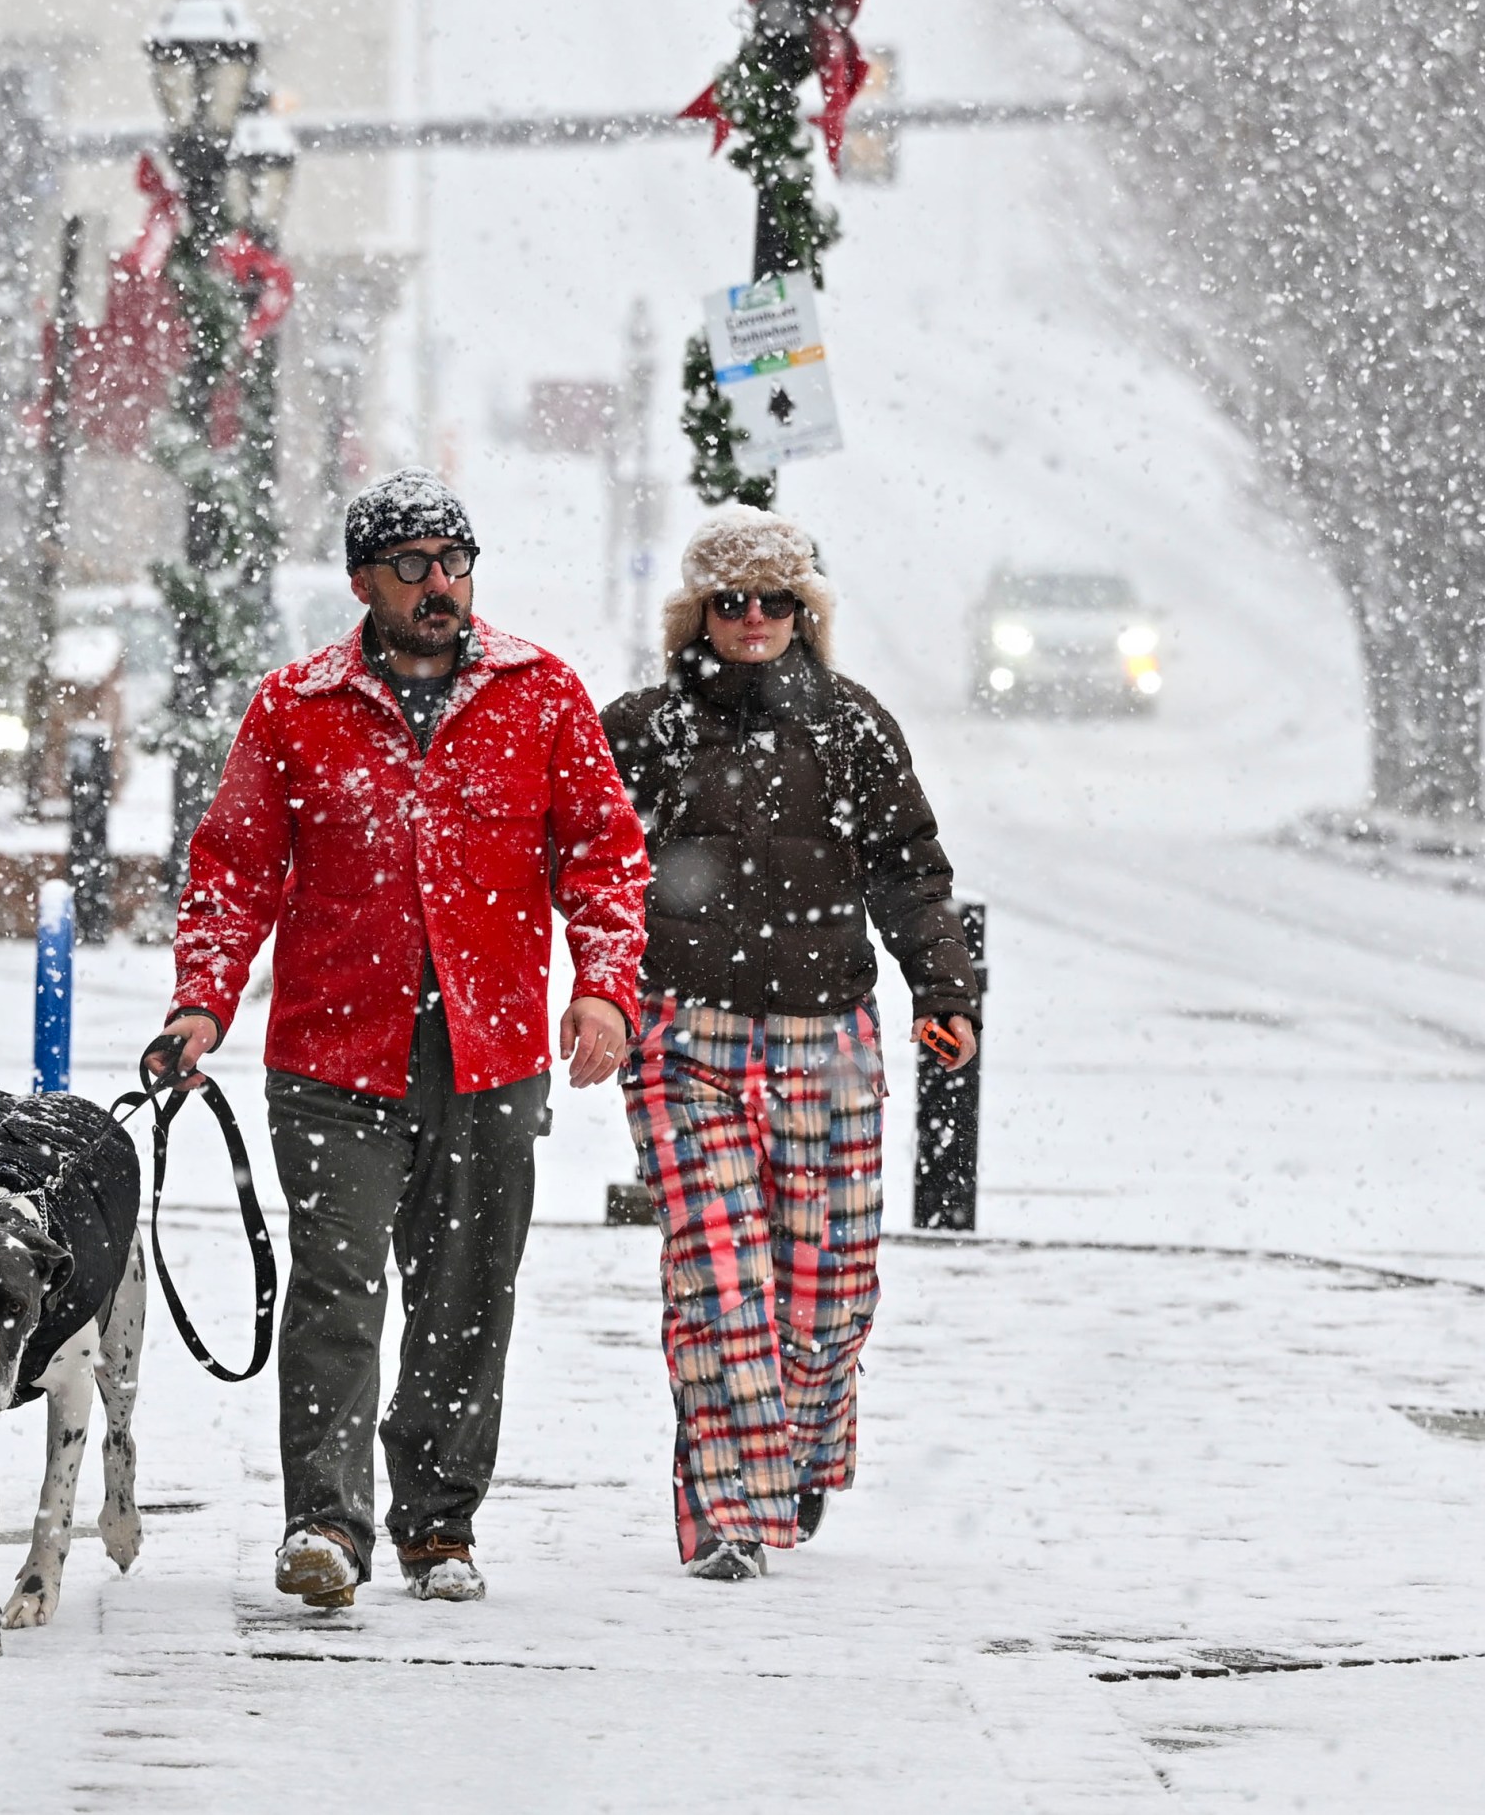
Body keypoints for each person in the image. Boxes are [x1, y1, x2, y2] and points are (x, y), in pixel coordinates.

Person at [149, 469, 647, 1608]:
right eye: (413, 565)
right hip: (332, 1058)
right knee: (335, 1288)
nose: (440, 585)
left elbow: (607, 858)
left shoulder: (539, 696)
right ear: (363, 580)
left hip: (490, 1055)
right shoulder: (294, 707)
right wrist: (200, 1002)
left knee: (467, 1295)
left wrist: (604, 988)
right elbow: (234, 867)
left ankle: (437, 1525)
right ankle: (323, 1524)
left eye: (455, 561)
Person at [601, 505, 979, 1581]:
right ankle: (729, 1510)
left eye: (773, 600)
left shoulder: (853, 727)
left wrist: (940, 987)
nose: (753, 617)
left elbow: (910, 866)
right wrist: (603, 995)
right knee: (718, 1283)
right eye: (730, 601)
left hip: (830, 1036)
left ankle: (798, 1443)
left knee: (829, 1296)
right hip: (684, 1038)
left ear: (801, 610)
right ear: (699, 615)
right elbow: (589, 872)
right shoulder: (645, 729)